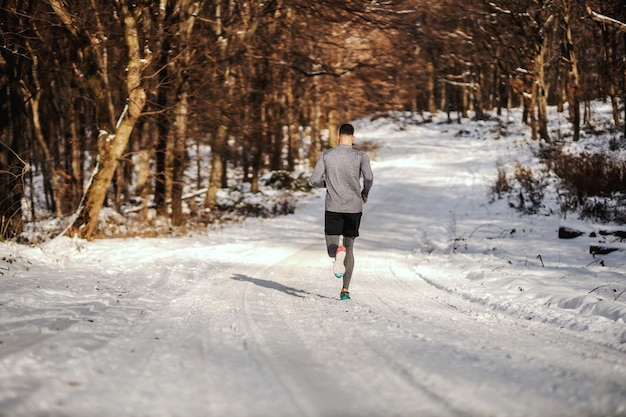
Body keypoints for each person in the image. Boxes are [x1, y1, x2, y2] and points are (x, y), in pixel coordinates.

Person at [309, 123, 374, 300]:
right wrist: (364, 194)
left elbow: (314, 180)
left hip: (333, 207)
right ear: (353, 137)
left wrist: (328, 184)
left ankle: (337, 253)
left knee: (333, 249)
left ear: (338, 137)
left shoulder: (327, 155)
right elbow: (368, 177)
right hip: (354, 207)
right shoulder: (361, 156)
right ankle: (345, 290)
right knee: (349, 248)